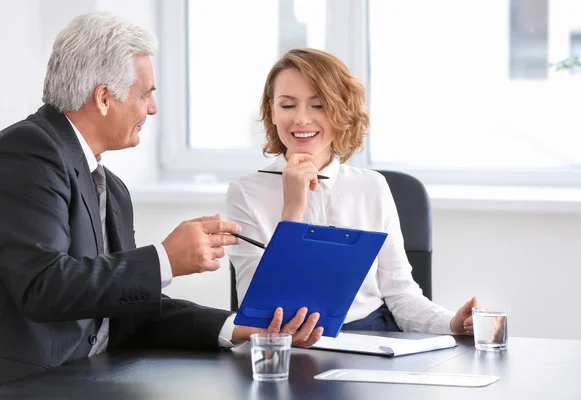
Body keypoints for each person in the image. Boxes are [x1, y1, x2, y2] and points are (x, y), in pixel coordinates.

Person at [0, 13, 321, 384]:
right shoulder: (28, 151)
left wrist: (241, 327)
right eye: (146, 94)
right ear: (104, 97)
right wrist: (164, 260)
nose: (152, 109)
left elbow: (127, 310)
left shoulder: (112, 188)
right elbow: (43, 285)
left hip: (98, 375)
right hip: (35, 384)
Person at [226, 48, 477, 335]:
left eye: (318, 105)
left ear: (340, 110)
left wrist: (451, 324)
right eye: (287, 105)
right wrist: (292, 210)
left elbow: (401, 296)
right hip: (286, 344)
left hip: (371, 337)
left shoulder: (371, 187)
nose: (302, 119)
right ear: (271, 111)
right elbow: (257, 306)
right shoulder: (246, 191)